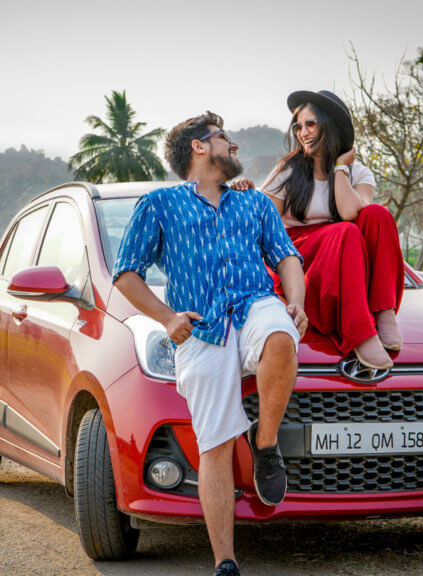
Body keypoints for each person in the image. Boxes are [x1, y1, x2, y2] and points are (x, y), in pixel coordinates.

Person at [112, 111, 307, 576]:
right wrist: (167, 318)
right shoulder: (159, 205)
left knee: (281, 336)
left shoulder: (254, 203)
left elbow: (286, 257)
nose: (233, 148)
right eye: (225, 140)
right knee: (214, 444)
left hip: (253, 303)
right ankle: (225, 561)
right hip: (201, 328)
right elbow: (126, 274)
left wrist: (294, 299)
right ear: (200, 147)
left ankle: (265, 445)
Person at [245, 90, 404, 369]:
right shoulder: (288, 171)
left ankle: (384, 311)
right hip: (299, 258)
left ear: (329, 125)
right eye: (298, 126)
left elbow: (351, 212)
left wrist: (341, 168)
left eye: (310, 124)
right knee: (345, 232)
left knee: (376, 214)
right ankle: (359, 333)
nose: (302, 132)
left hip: (346, 260)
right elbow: (262, 227)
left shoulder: (359, 172)